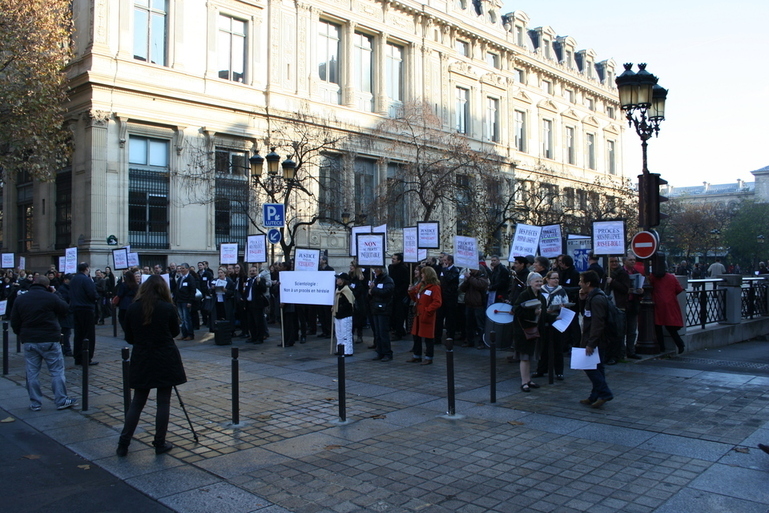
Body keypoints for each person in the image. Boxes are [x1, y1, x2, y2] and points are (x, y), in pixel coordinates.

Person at [116, 275, 187, 457]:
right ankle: (159, 442)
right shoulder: (167, 308)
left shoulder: (133, 308)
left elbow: (129, 337)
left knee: (138, 402)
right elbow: (174, 331)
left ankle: (124, 443)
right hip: (164, 357)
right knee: (163, 402)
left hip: (143, 357)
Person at [11, 276, 78, 412]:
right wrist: (56, 293)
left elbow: (14, 321)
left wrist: (21, 334)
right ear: (47, 286)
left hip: (30, 339)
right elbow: (65, 309)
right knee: (56, 371)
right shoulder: (51, 297)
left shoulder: (21, 299)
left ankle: (35, 402)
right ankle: (61, 400)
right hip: (49, 338)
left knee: (32, 372)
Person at [578, 270, 614, 408]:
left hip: (597, 340)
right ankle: (594, 396)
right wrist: (582, 300)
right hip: (595, 338)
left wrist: (591, 343)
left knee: (589, 366)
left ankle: (605, 393)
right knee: (597, 367)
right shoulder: (591, 296)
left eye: (581, 281)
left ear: (588, 283)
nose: (579, 283)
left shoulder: (597, 298)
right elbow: (586, 314)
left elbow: (598, 323)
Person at [512, 273, 546, 392]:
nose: (539, 284)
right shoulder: (524, 294)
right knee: (524, 357)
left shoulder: (541, 296)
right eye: (536, 281)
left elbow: (544, 313)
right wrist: (533, 313)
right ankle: (524, 382)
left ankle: (528, 380)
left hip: (534, 331)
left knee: (530, 357)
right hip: (524, 331)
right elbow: (516, 310)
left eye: (541, 281)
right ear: (530, 282)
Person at [605, 256, 641, 361]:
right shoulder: (606, 273)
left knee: (631, 330)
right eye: (612, 262)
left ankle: (629, 351)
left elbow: (624, 289)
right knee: (618, 331)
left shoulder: (624, 274)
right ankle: (620, 352)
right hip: (614, 305)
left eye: (616, 261)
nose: (614, 263)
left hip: (628, 305)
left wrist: (613, 282)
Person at [534, 270, 569, 380]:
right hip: (543, 320)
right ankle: (541, 369)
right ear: (548, 279)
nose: (556, 280)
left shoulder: (561, 290)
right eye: (554, 278)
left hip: (557, 320)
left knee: (557, 346)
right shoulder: (541, 290)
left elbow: (566, 303)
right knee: (543, 346)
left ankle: (559, 371)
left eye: (557, 278)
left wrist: (563, 306)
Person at [407, 266, 442, 364]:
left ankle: (429, 357)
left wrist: (427, 310)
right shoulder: (420, 285)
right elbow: (416, 298)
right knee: (416, 336)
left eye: (423, 273)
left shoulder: (435, 287)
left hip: (427, 315)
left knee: (428, 337)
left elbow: (437, 302)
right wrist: (410, 292)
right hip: (418, 315)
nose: (421, 275)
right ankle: (417, 355)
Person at [649, 265, 686, 354]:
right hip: (670, 303)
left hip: (657, 303)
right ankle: (680, 344)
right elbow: (679, 289)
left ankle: (661, 347)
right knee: (670, 326)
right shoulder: (671, 277)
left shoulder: (652, 277)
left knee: (657, 326)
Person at [70, 262, 98, 366]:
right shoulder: (86, 279)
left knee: (78, 334)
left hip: (76, 308)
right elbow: (92, 293)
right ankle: (86, 358)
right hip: (86, 308)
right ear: (87, 268)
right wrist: (96, 298)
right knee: (88, 335)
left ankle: (78, 357)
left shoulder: (74, 279)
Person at [369, 266, 395, 361]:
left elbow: (386, 292)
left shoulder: (388, 280)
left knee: (383, 332)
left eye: (377, 269)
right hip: (376, 308)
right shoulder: (376, 280)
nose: (375, 271)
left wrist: (374, 289)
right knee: (378, 332)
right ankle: (380, 352)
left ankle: (387, 353)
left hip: (384, 308)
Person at [459, 268, 489, 349]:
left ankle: (482, 342)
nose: (471, 270)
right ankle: (469, 341)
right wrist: (466, 281)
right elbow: (462, 289)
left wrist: (470, 278)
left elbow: (480, 285)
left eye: (472, 269)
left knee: (480, 326)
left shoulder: (483, 277)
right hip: (469, 304)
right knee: (468, 325)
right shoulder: (470, 278)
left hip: (478, 305)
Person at [243, 266, 268, 344]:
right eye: (251, 271)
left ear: (257, 271)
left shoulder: (260, 279)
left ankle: (260, 338)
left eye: (254, 271)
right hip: (249, 304)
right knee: (251, 322)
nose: (252, 272)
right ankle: (253, 337)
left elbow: (264, 289)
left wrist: (259, 282)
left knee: (259, 322)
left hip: (257, 304)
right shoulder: (249, 280)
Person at [388, 253, 410, 340]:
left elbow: (405, 283)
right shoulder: (391, 267)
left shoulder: (403, 269)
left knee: (399, 315)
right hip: (392, 294)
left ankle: (399, 333)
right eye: (392, 258)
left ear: (399, 260)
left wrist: (398, 291)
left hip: (400, 295)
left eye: (394, 259)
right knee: (393, 314)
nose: (392, 260)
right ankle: (397, 329)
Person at [173, 263, 197, 341]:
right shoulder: (180, 278)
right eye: (180, 268)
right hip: (179, 301)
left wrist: (190, 301)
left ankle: (190, 334)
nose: (181, 270)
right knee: (182, 319)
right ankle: (184, 334)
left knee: (187, 319)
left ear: (187, 269)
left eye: (183, 268)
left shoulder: (190, 278)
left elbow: (193, 290)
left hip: (186, 301)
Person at [333, 273, 355, 356]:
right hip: (338, 315)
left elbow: (350, 303)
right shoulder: (338, 290)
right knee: (339, 333)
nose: (337, 280)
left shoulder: (347, 290)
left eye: (338, 278)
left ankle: (347, 350)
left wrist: (341, 308)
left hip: (345, 315)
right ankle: (340, 349)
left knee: (345, 333)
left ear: (342, 280)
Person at [115, 270, 139, 335]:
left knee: (122, 318)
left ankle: (127, 331)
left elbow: (120, 294)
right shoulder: (136, 285)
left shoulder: (124, 285)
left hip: (124, 303)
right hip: (132, 302)